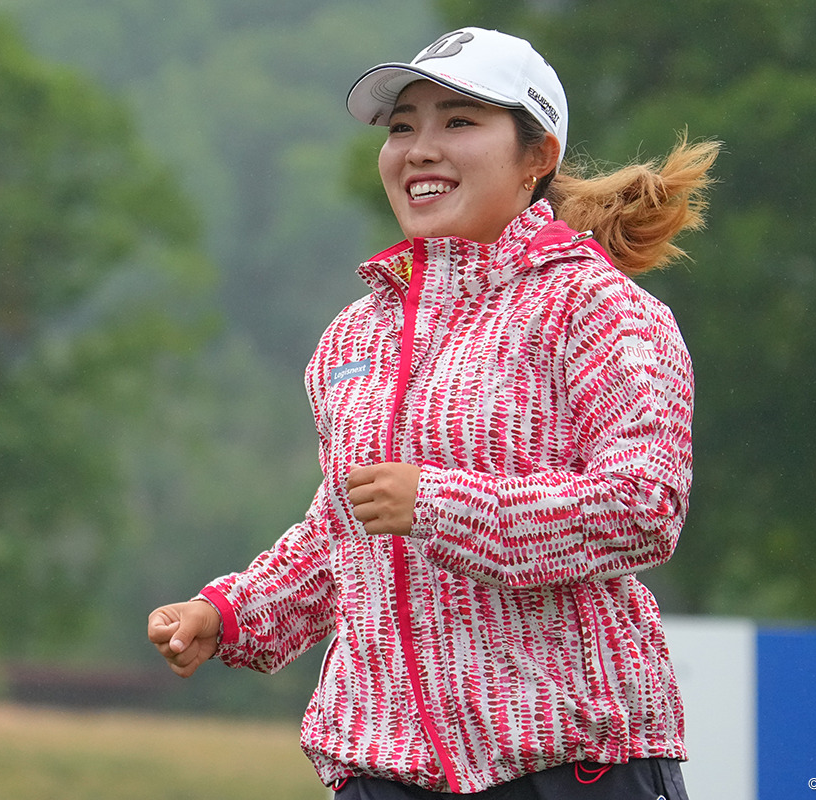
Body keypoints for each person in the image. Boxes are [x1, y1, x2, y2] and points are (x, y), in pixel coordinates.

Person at [149, 26, 718, 799]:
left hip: (569, 764)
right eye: (402, 126)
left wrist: (441, 505)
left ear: (538, 156)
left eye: (458, 122)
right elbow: (347, 528)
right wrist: (232, 609)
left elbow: (644, 507)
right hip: (381, 766)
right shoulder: (355, 334)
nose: (419, 148)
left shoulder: (599, 308)